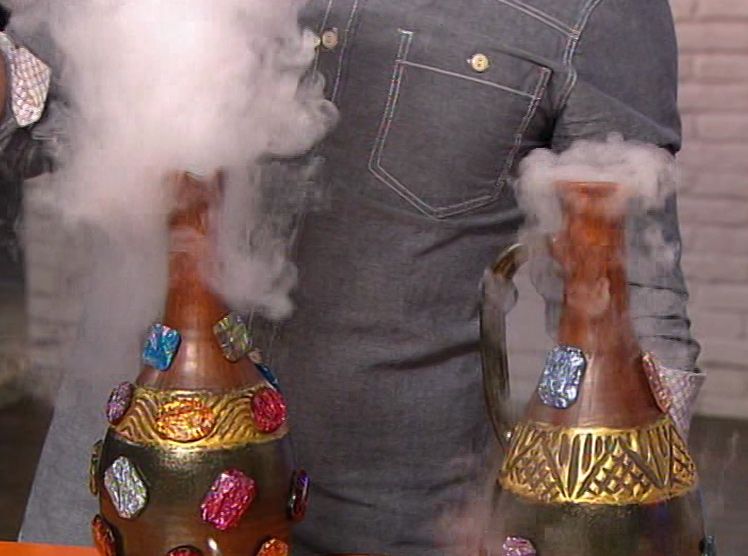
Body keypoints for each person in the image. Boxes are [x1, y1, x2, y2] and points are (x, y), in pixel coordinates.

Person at [2, 1, 701, 554]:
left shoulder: (603, 11)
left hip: (390, 519)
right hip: (130, 488)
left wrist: (627, 520)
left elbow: (633, 296)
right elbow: (26, 123)